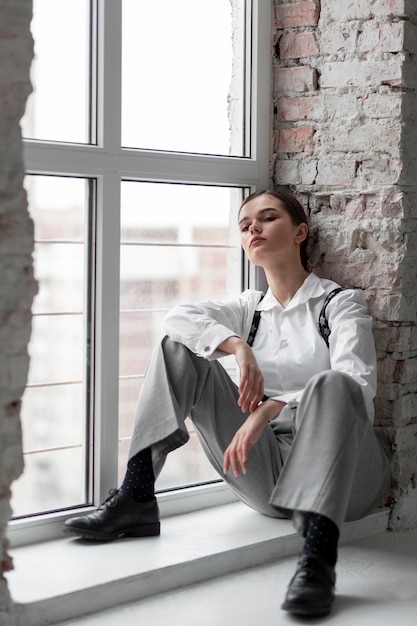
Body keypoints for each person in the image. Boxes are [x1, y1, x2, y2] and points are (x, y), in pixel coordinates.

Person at [64, 189, 391, 617]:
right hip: (269, 474)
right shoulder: (249, 309)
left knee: (332, 384)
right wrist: (237, 347)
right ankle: (137, 495)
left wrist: (270, 408)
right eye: (244, 224)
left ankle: (317, 560)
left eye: (268, 218)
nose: (252, 227)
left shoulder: (338, 304)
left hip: (348, 479)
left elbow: (358, 385)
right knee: (176, 347)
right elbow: (176, 319)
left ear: (300, 232)